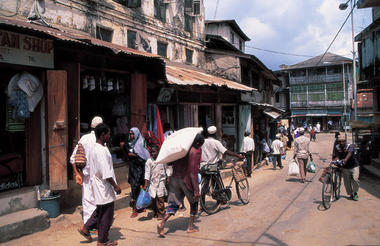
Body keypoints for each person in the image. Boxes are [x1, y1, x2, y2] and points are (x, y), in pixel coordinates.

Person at [79, 123, 121, 246]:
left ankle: (86, 228)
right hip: (103, 185)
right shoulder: (101, 150)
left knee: (100, 210)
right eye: (108, 133)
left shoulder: (94, 148)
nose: (110, 136)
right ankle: (102, 241)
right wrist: (115, 186)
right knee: (106, 215)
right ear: (103, 135)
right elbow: (106, 173)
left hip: (97, 184)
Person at [157, 134, 205, 237]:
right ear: (197, 143)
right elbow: (193, 172)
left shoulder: (183, 149)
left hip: (175, 178)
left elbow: (171, 163)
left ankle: (162, 222)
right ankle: (190, 227)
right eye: (200, 144)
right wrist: (196, 190)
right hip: (186, 180)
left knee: (174, 204)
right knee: (194, 203)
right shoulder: (195, 151)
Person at [71, 116, 103, 233]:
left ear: (91, 126)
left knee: (88, 200)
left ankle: (89, 225)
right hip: (99, 176)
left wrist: (76, 173)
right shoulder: (101, 139)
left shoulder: (84, 139)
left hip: (87, 175)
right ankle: (95, 224)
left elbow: (73, 158)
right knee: (99, 199)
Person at [126, 127, 150, 218]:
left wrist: (135, 155)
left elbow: (144, 155)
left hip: (140, 168)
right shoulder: (130, 143)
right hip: (133, 168)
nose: (131, 136)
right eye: (130, 134)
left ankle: (137, 208)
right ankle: (137, 207)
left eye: (133, 134)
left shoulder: (141, 142)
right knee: (134, 187)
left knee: (139, 187)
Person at [143, 145, 171, 220]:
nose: (153, 153)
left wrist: (168, 177)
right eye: (151, 152)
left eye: (154, 152)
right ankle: (156, 212)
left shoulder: (162, 159)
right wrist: (146, 183)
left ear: (158, 152)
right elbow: (147, 173)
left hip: (161, 181)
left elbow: (167, 168)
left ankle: (161, 214)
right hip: (152, 182)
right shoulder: (149, 161)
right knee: (153, 198)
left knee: (160, 197)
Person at [332, 135, 360, 201]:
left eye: (343, 141)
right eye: (340, 141)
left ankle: (355, 192)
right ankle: (351, 194)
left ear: (345, 141)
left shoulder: (350, 145)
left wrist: (345, 160)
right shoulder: (337, 147)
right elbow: (337, 156)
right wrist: (336, 160)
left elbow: (349, 153)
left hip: (354, 166)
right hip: (345, 167)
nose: (341, 143)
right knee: (347, 182)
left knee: (355, 179)